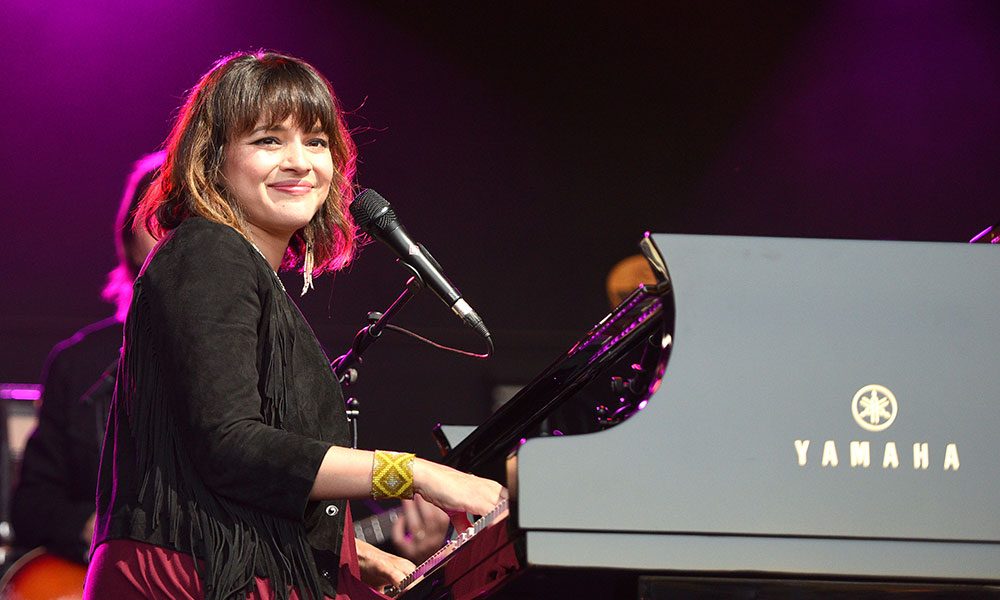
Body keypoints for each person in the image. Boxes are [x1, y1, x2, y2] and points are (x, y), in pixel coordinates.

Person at [85, 51, 505, 600]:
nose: (300, 162)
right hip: (187, 579)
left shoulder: (239, 268)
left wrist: (363, 556)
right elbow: (230, 444)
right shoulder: (209, 251)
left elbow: (234, 482)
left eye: (316, 141)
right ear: (214, 158)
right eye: (268, 140)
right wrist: (418, 473)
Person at [10, 152, 163, 564]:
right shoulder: (78, 365)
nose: (178, 237)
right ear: (130, 240)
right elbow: (31, 507)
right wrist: (95, 528)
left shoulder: (258, 352)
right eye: (162, 220)